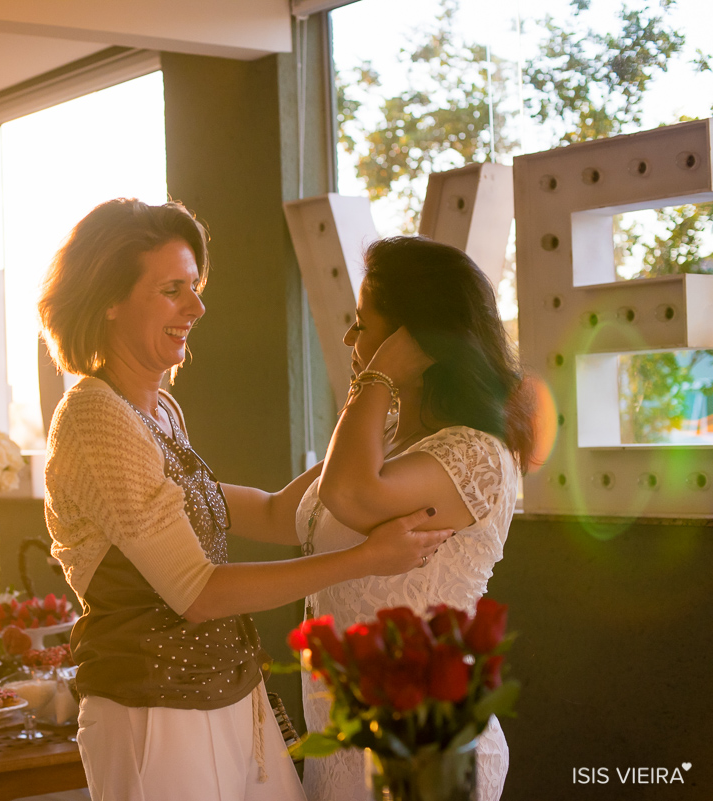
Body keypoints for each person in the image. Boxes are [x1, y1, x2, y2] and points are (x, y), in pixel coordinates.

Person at [38, 199, 454, 801]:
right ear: (109, 298)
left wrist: (390, 429)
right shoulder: (96, 418)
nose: (197, 307)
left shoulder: (157, 412)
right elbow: (199, 593)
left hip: (222, 694)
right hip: (154, 712)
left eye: (196, 286)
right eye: (173, 288)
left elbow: (275, 513)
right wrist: (368, 558)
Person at [298, 236, 536, 801]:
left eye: (363, 324)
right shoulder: (384, 435)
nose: (352, 339)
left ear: (412, 339)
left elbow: (351, 496)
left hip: (427, 749)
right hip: (342, 735)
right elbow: (278, 510)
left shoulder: (475, 452)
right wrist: (159, 477)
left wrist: (374, 380)